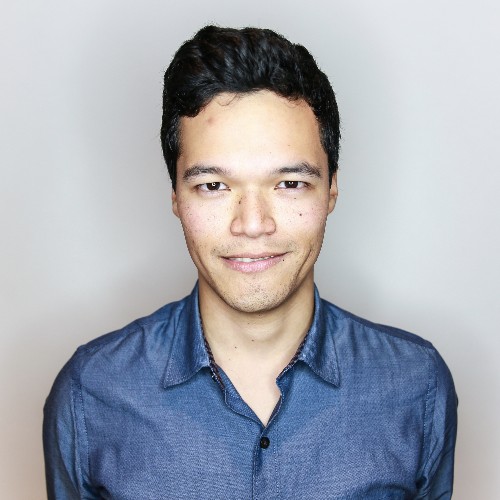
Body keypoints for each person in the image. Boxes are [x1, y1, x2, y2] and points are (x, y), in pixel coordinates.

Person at [43, 26, 458, 499]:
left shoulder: (417, 385)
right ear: (176, 195)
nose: (253, 224)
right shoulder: (90, 391)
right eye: (213, 186)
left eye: (289, 184)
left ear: (331, 189)